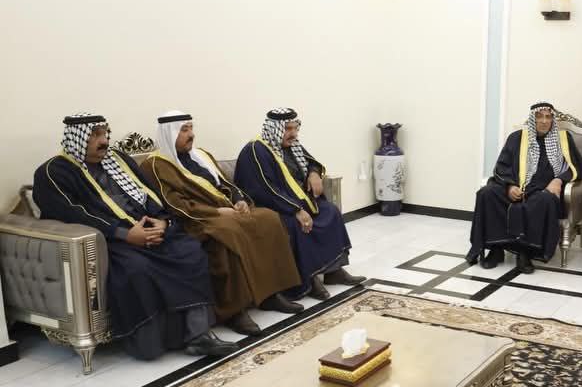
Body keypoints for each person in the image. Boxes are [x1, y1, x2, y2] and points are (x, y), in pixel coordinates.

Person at [33, 114, 237, 360]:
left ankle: (199, 336)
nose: (103, 141)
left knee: (190, 251)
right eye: (95, 135)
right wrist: (125, 234)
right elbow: (72, 214)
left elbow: (148, 192)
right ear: (77, 138)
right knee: (138, 268)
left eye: (104, 134)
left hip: (147, 229)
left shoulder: (118, 159)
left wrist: (162, 221)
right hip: (110, 240)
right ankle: (151, 343)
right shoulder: (53, 172)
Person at [139, 111, 304, 336]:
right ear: (170, 133)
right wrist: (216, 212)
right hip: (195, 219)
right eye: (184, 130)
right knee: (227, 233)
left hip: (225, 210)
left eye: (191, 128)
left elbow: (225, 183)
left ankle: (270, 294)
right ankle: (234, 311)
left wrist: (239, 200)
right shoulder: (155, 165)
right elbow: (174, 204)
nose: (191, 134)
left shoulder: (201, 155)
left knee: (268, 219)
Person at [234, 108, 365, 300]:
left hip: (297, 201)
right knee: (298, 225)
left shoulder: (291, 145)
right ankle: (308, 280)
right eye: (288, 128)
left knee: (330, 211)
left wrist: (313, 173)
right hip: (273, 206)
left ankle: (334, 271)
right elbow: (266, 190)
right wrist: (295, 209)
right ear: (274, 129)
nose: (293, 133)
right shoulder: (256, 150)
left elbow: (311, 162)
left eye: (295, 128)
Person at [466, 102, 582, 273]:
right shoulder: (516, 138)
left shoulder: (563, 139)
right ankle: (496, 248)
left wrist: (559, 180)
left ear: (552, 120)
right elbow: (501, 166)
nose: (544, 121)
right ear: (532, 119)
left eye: (548, 117)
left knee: (543, 200)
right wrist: (509, 186)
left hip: (542, 190)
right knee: (487, 193)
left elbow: (578, 167)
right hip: (516, 186)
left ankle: (525, 252)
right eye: (539, 117)